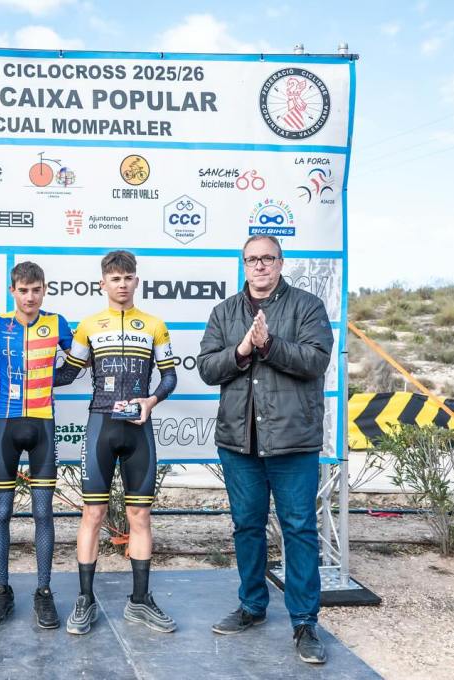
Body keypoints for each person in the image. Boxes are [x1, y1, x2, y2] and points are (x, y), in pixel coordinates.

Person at [196, 235, 333, 665]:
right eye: (252, 259)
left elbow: (316, 360)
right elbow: (206, 368)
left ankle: (305, 621)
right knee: (247, 527)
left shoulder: (307, 306)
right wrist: (241, 350)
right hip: (239, 443)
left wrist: (270, 346)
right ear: (244, 264)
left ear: (280, 262)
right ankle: (252, 606)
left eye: (267, 258)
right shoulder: (224, 312)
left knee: (299, 530)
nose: (259, 266)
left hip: (293, 442)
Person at [54, 250, 178, 635]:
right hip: (101, 425)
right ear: (102, 283)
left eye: (127, 278)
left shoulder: (154, 325)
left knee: (140, 516)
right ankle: (85, 599)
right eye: (115, 278)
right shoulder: (88, 326)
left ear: (136, 281)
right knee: (92, 514)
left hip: (138, 427)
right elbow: (67, 373)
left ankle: (139, 601)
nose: (122, 284)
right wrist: (26, 366)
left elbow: (169, 377)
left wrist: (151, 401)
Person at [0, 262, 73, 629]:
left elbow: (77, 365)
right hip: (6, 422)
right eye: (23, 290)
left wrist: (46, 382)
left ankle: (44, 592)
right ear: (12, 291)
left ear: (44, 289)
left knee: (43, 513)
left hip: (43, 425)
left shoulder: (57, 323)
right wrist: (3, 388)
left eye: (36, 290)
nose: (30, 297)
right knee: (1, 513)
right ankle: (1, 590)